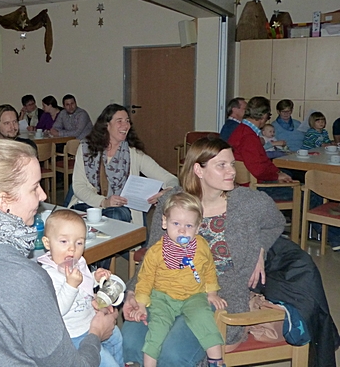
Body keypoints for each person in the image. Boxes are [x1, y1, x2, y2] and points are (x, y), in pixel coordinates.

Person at [122, 138, 339, 367]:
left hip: (218, 295)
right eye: (222, 165)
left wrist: (261, 249)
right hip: (164, 289)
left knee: (173, 354)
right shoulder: (172, 201)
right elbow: (153, 254)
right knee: (131, 341)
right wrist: (132, 292)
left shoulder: (250, 203)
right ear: (199, 170)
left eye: (232, 164)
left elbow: (275, 223)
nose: (232, 172)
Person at [0, 139, 117, 366]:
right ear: (3, 201)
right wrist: (96, 333)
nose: (43, 196)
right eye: (34, 187)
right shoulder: (25, 277)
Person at [132, 192, 226, 367]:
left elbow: (209, 269)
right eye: (176, 224)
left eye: (189, 225)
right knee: (156, 331)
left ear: (197, 228)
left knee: (204, 319)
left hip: (194, 296)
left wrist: (212, 292)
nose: (182, 230)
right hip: (162, 298)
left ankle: (216, 362)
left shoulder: (201, 246)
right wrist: (141, 303)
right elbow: (145, 279)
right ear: (164, 222)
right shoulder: (155, 252)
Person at [37, 209, 123, 367]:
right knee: (106, 361)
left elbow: (84, 283)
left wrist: (95, 278)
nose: (72, 248)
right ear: (47, 243)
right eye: (64, 241)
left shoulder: (78, 261)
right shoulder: (48, 274)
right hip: (73, 334)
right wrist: (70, 285)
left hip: (89, 320)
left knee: (116, 337)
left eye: (79, 243)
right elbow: (57, 310)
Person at [68, 104, 178, 224]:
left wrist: (166, 192)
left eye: (127, 121)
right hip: (89, 204)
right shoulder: (86, 149)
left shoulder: (134, 154)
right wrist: (104, 202)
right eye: (119, 121)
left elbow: (171, 179)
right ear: (106, 125)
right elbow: (78, 186)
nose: (125, 125)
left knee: (116, 215)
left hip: (119, 210)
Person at [227, 96, 293, 185]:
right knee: (305, 190)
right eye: (268, 116)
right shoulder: (249, 137)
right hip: (255, 185)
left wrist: (278, 172)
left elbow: (262, 160)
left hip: (249, 182)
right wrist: (276, 176)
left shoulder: (240, 130)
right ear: (264, 116)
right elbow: (258, 170)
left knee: (288, 174)